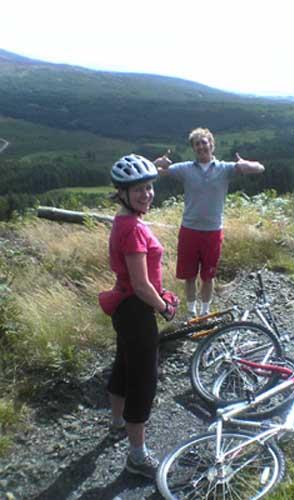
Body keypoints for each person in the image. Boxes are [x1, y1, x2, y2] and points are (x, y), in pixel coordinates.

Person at [98, 154, 179, 480]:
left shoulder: (124, 220)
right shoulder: (131, 229)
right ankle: (137, 456)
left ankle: (117, 423)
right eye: (138, 190)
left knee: (124, 364)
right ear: (122, 193)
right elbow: (143, 285)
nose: (146, 194)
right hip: (137, 309)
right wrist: (165, 307)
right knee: (143, 380)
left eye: (149, 187)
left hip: (125, 307)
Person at [154, 127, 265, 318]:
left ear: (211, 145)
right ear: (193, 148)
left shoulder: (225, 168)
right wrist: (157, 162)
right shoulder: (185, 168)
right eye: (197, 144)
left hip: (213, 231)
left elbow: (261, 168)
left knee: (208, 275)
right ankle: (191, 312)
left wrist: (247, 164)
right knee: (189, 276)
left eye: (204, 143)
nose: (201, 147)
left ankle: (205, 312)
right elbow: (151, 171)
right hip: (189, 230)